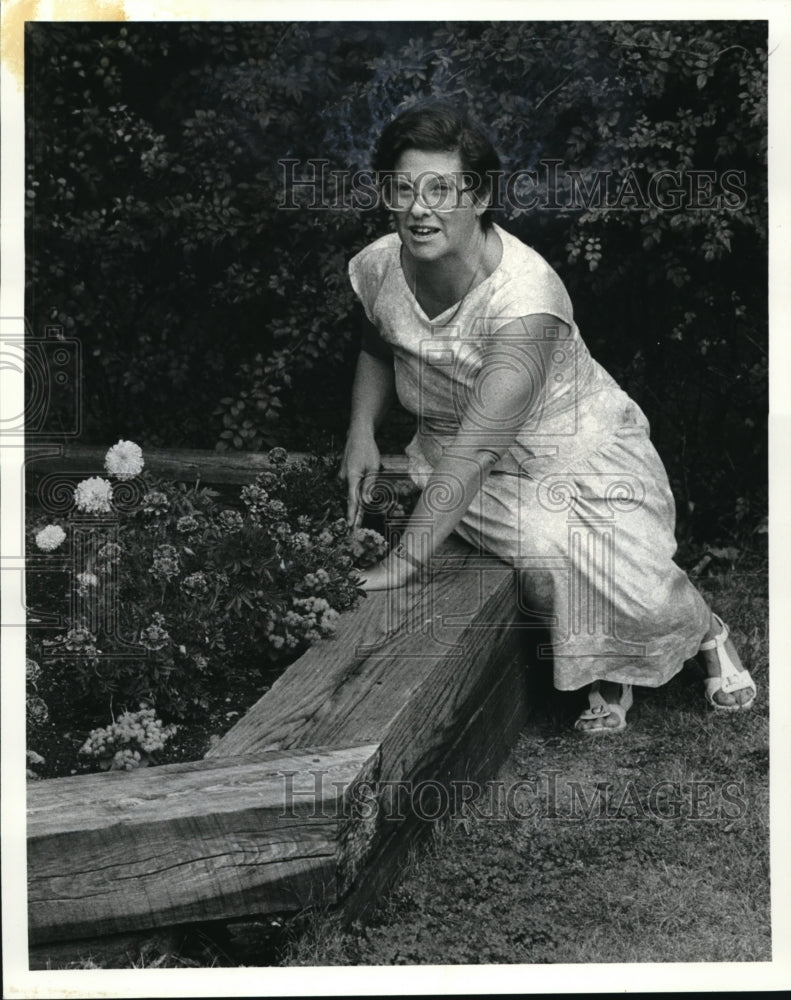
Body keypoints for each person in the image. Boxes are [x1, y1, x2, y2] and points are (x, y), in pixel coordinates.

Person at [338, 101, 756, 733]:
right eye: (402, 189)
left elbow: (480, 447)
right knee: (544, 562)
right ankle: (608, 667)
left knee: (604, 568)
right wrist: (361, 430)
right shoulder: (381, 264)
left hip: (575, 453)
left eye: (440, 190)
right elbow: (379, 340)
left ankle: (703, 629)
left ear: (478, 198)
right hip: (467, 468)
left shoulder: (525, 300)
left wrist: (401, 563)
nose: (419, 209)